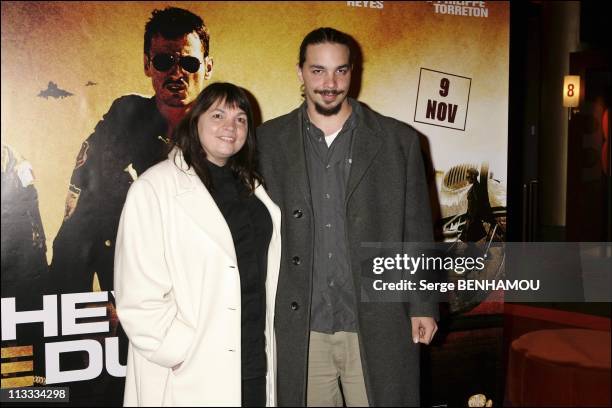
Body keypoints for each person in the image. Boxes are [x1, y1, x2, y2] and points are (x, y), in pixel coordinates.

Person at [257, 27, 438, 406]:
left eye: (340, 71)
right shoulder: (267, 142)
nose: (330, 83)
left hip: (377, 322)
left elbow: (417, 229)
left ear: (352, 72)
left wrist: (423, 304)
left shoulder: (398, 141)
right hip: (302, 327)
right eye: (318, 70)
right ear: (300, 71)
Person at [114, 82, 281, 407]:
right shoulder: (154, 188)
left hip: (254, 365)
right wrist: (180, 349)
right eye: (218, 115)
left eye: (240, 118)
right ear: (195, 121)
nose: (230, 127)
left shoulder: (254, 189)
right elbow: (137, 296)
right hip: (192, 372)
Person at [50, 6, 213, 295]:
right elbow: (78, 223)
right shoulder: (123, 121)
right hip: (132, 284)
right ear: (147, 65)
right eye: (164, 61)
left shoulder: (228, 133)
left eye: (189, 63)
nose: (177, 73)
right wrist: (70, 323)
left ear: (207, 67)